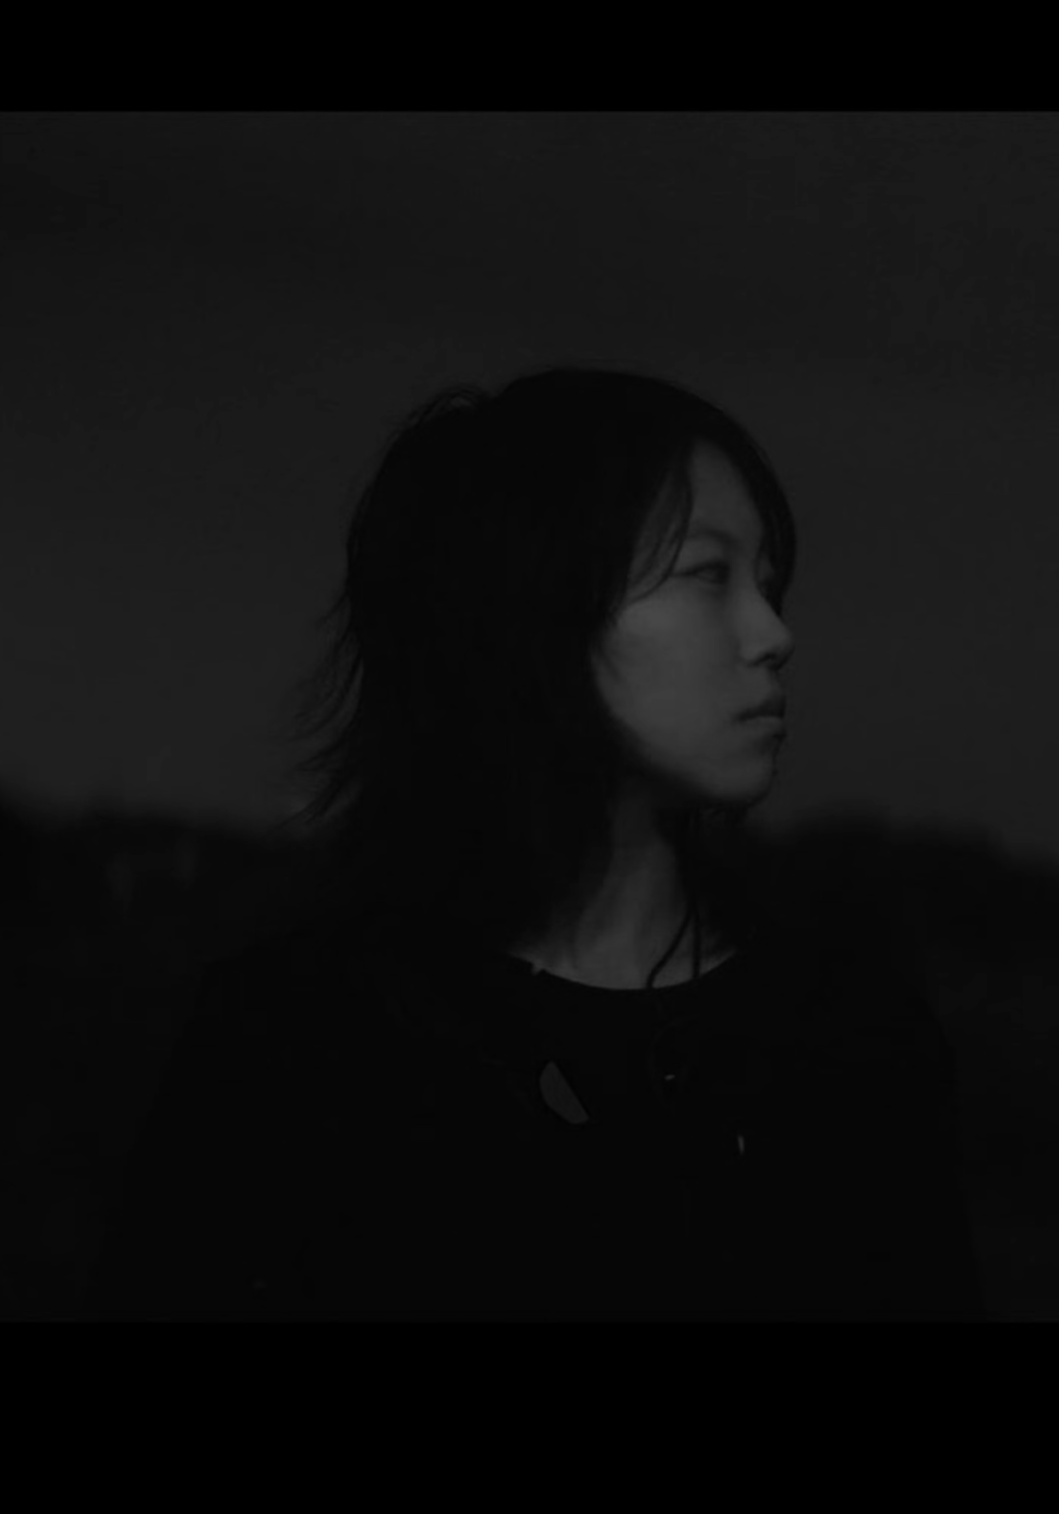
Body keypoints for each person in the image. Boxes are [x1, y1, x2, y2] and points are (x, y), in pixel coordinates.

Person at [90, 368, 982, 1320]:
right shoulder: (304, 1041)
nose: (772, 633)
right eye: (707, 574)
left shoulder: (842, 1031)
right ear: (530, 608)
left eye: (767, 582)